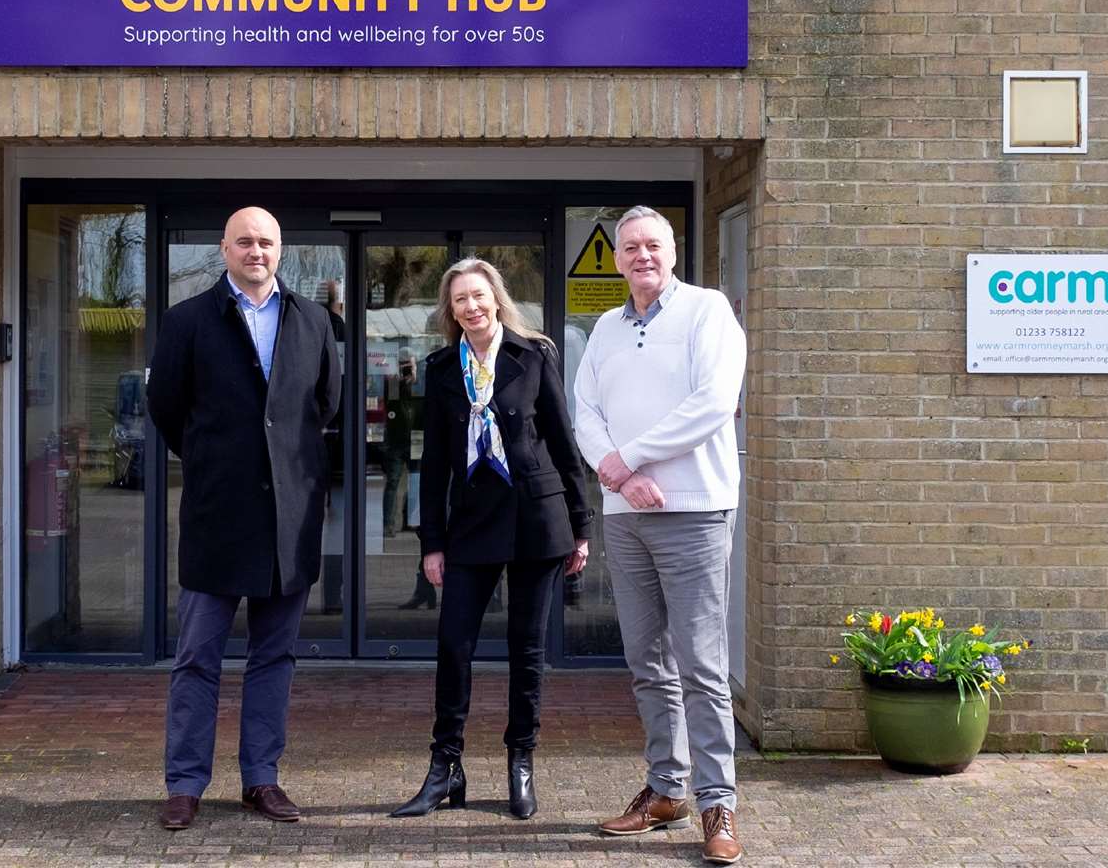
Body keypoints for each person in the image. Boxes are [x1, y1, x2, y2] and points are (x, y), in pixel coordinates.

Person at [147, 206, 342, 831]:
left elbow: (324, 405)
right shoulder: (187, 322)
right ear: (223, 248)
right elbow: (167, 409)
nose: (256, 251)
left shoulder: (314, 320)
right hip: (217, 515)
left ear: (280, 250)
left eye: (266, 242)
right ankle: (184, 785)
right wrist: (214, 459)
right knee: (197, 658)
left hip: (289, 519)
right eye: (244, 242)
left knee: (274, 657)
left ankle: (262, 778)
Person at [572, 206, 746, 865]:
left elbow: (711, 402)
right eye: (629, 247)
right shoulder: (605, 331)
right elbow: (583, 412)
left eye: (652, 244)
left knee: (700, 665)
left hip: (695, 511)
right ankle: (665, 790)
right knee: (646, 662)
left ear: (671, 252)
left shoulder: (705, 312)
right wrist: (616, 477)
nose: (640, 255)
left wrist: (631, 460)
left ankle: (716, 804)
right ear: (615, 258)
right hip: (627, 518)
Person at [390, 258, 591, 821]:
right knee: (454, 645)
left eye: (479, 296)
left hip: (536, 518)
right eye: (460, 300)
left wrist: (581, 526)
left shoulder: (533, 357)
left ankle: (520, 764)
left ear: (496, 299)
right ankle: (445, 767)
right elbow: (433, 467)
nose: (471, 307)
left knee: (527, 652)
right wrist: (431, 543)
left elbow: (562, 441)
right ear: (450, 311)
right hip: (471, 524)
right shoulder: (440, 370)